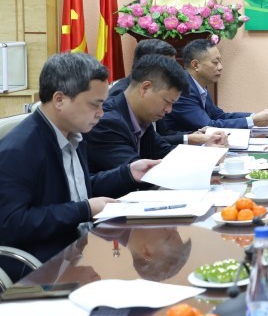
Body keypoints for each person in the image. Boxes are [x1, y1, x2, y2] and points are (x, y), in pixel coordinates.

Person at [0, 53, 159, 281]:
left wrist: (127, 174)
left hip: (79, 249)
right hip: (42, 268)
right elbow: (12, 224)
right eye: (95, 104)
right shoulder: (19, 149)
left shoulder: (73, 134)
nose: (101, 113)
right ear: (59, 100)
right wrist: (84, 210)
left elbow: (75, 189)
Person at [85, 55, 226, 173]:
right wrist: (205, 158)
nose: (169, 110)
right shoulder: (107, 121)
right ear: (145, 88)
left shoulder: (141, 117)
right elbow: (138, 174)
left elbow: (164, 152)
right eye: (167, 101)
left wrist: (206, 152)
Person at [108, 39, 221, 147]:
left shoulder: (154, 99)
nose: (175, 72)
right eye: (168, 68)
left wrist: (192, 136)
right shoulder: (120, 100)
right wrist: (190, 139)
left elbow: (160, 137)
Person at [164, 39, 268, 131]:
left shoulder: (198, 85)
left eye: (220, 62)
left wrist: (254, 116)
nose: (220, 67)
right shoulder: (182, 88)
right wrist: (253, 121)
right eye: (215, 62)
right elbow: (208, 126)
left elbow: (219, 116)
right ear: (196, 65)